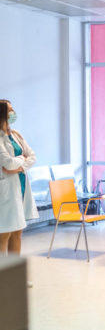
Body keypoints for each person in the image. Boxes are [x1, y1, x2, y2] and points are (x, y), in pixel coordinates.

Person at [0, 99, 39, 256]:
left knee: (17, 232)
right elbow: (8, 163)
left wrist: (20, 167)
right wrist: (22, 158)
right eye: (9, 109)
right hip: (6, 190)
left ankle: (14, 271)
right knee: (4, 234)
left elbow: (33, 156)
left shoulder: (15, 134)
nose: (13, 112)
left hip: (20, 186)